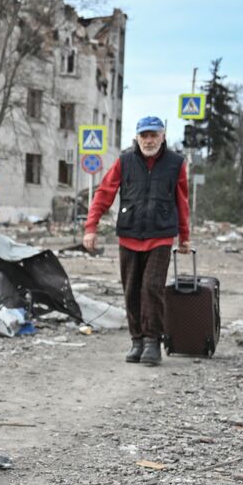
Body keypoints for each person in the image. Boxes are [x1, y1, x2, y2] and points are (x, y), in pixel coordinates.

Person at [81, 116, 191, 366]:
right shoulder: (125, 161)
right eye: (144, 136)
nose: (149, 140)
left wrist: (184, 237)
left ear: (163, 136)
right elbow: (104, 194)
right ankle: (137, 341)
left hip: (161, 235)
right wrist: (91, 227)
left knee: (151, 287)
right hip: (129, 235)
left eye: (153, 135)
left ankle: (153, 341)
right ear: (137, 138)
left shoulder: (176, 163)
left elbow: (182, 201)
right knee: (131, 291)